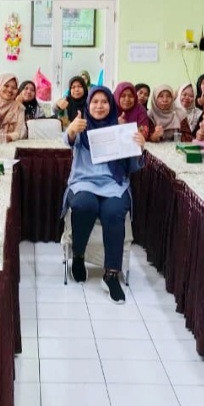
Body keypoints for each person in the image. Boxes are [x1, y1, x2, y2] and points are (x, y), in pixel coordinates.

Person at [63, 86, 145, 304]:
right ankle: (78, 256)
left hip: (113, 185)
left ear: (111, 105)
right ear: (88, 105)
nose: (99, 106)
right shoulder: (81, 126)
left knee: (114, 211)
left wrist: (139, 148)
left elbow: (133, 165)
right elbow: (67, 140)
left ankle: (111, 275)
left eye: (104, 102)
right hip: (84, 182)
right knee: (84, 205)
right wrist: (72, 129)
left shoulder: (120, 130)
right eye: (95, 102)